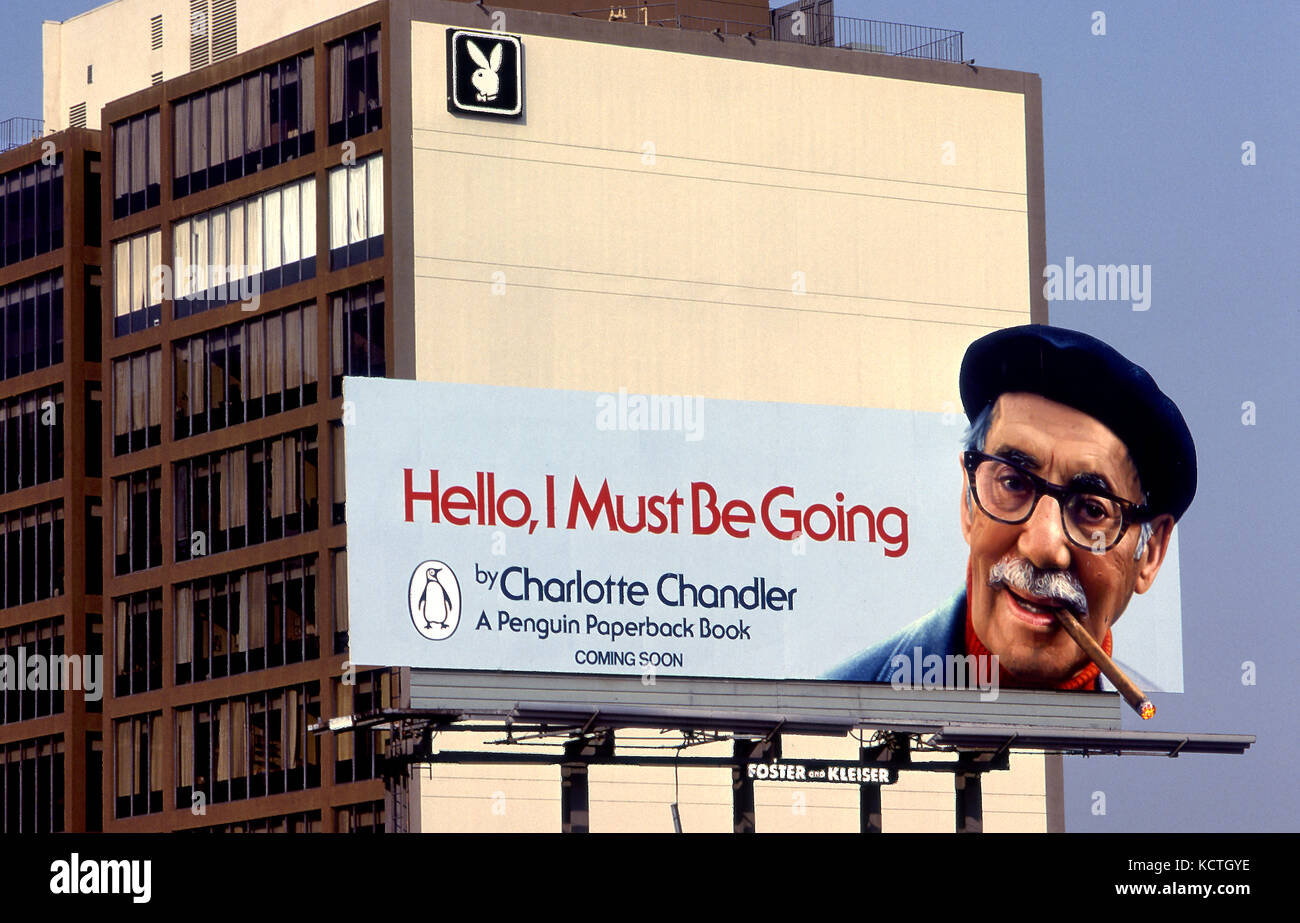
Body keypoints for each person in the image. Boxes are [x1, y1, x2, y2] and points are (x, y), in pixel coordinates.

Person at [827, 325, 1196, 690]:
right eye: (1014, 483)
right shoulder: (842, 702)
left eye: (1092, 509)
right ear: (969, 501)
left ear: (1150, 552)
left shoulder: (1168, 735)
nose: (1044, 546)